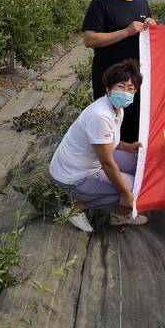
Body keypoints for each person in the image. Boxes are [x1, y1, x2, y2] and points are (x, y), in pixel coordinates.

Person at [49, 60, 148, 232]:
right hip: (72, 177)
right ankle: (78, 208)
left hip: (85, 163)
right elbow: (107, 164)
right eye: (121, 86)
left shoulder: (117, 109)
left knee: (137, 164)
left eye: (130, 88)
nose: (125, 93)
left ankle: (118, 203)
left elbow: (106, 141)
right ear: (108, 89)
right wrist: (125, 194)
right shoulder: (100, 116)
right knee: (132, 187)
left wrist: (127, 147)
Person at [82, 0, 156, 143]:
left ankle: (130, 161)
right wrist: (125, 32)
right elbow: (90, 39)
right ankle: (107, 160)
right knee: (109, 127)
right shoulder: (101, 4)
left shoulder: (142, 4)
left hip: (134, 80)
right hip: (110, 79)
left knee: (134, 126)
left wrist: (152, 27)